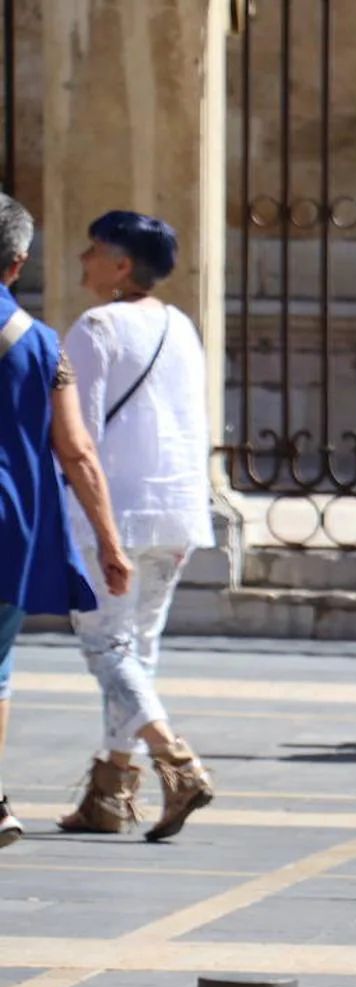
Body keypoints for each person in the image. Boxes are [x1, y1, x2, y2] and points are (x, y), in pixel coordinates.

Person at [51, 211, 217, 843]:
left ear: (122, 267)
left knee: (106, 647)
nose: (82, 261)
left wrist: (97, 528)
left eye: (94, 251)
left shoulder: (95, 328)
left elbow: (79, 438)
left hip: (114, 511)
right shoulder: (181, 325)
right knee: (138, 650)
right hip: (175, 510)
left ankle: (175, 761)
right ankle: (110, 789)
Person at [0, 193, 133, 849]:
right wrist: (109, 542)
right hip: (10, 526)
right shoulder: (45, 345)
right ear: (18, 262)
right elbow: (76, 451)